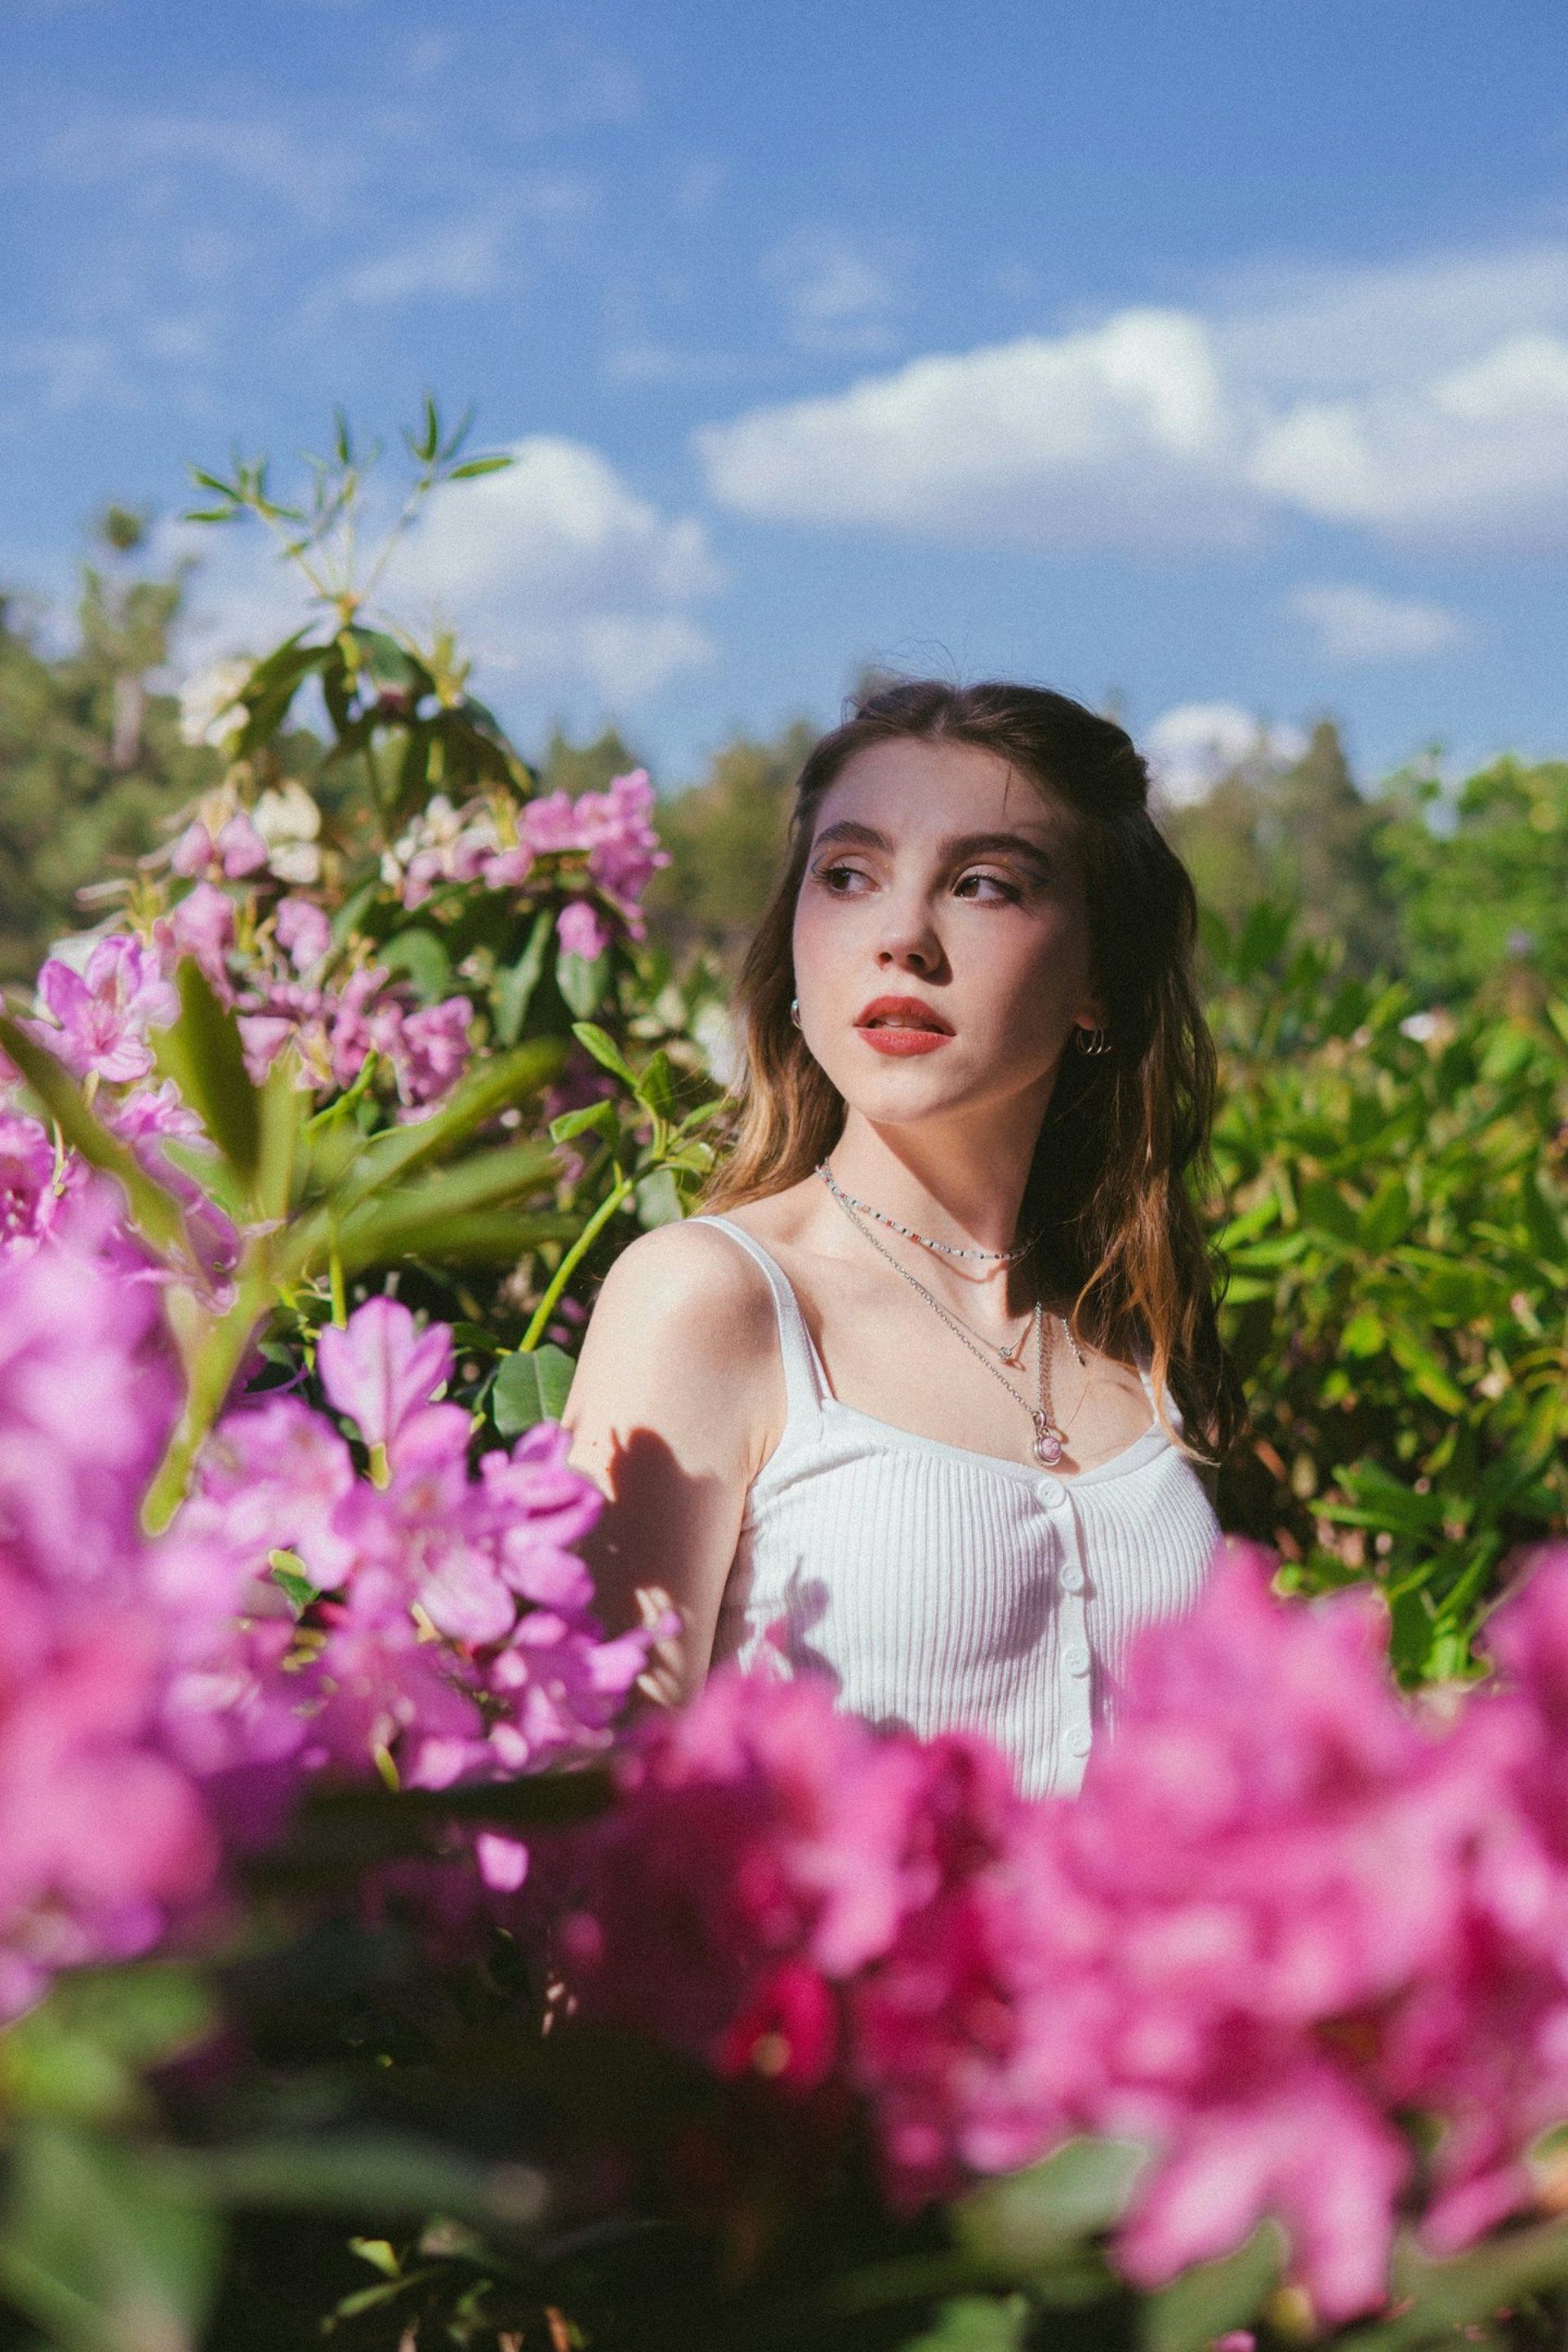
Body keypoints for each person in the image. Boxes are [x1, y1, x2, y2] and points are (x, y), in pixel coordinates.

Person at [563, 679, 1236, 1797]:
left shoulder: (1136, 1337)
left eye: (984, 885)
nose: (902, 938)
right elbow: (584, 1828)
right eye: (849, 876)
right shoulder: (709, 1300)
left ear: (1099, 982)